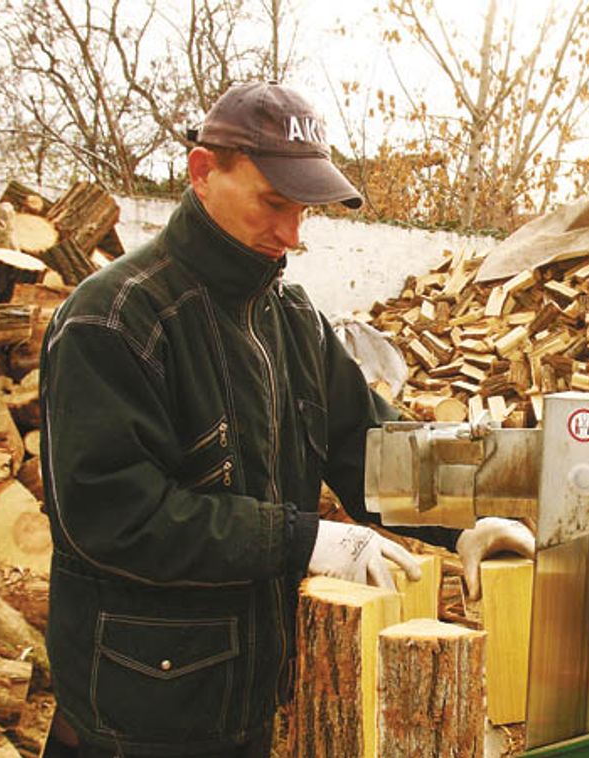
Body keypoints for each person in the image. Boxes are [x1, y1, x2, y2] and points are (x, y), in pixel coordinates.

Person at [39, 81, 533, 757]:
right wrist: (304, 541)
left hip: (246, 691)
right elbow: (114, 518)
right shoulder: (117, 318)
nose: (291, 234)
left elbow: (371, 448)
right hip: (136, 707)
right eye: (273, 203)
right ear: (203, 172)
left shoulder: (294, 322)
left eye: (303, 211)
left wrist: (464, 523)